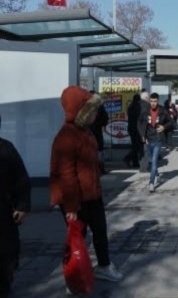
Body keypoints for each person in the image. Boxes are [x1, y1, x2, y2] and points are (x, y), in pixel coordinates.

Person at [49, 86, 123, 290]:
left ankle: (104, 266)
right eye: (91, 110)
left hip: (92, 194)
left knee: (100, 231)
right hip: (76, 200)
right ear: (80, 111)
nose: (95, 114)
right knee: (77, 238)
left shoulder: (85, 131)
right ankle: (74, 277)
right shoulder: (67, 136)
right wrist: (71, 207)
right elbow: (66, 175)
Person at [0, 115, 31, 296]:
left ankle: (4, 285)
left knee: (5, 253)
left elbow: (20, 179)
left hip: (3, 212)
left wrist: (22, 205)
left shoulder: (5, 149)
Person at [138, 93, 173, 193]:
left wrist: (163, 127)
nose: (153, 103)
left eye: (155, 101)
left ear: (158, 101)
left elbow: (171, 122)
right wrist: (142, 134)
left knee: (154, 162)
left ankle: (151, 183)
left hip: (158, 139)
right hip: (148, 140)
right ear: (149, 101)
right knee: (150, 160)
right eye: (151, 101)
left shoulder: (162, 110)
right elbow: (139, 122)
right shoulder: (145, 110)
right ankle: (156, 174)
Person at [89, 90, 109, 174]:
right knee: (99, 150)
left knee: (93, 150)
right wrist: (100, 124)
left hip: (90, 132)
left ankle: (93, 168)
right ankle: (100, 168)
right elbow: (105, 118)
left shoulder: (86, 106)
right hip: (96, 131)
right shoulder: (99, 106)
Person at [125, 94, 142, 168]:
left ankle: (135, 162)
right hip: (136, 129)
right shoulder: (138, 107)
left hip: (131, 128)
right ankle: (128, 158)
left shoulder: (130, 107)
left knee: (135, 145)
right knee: (137, 146)